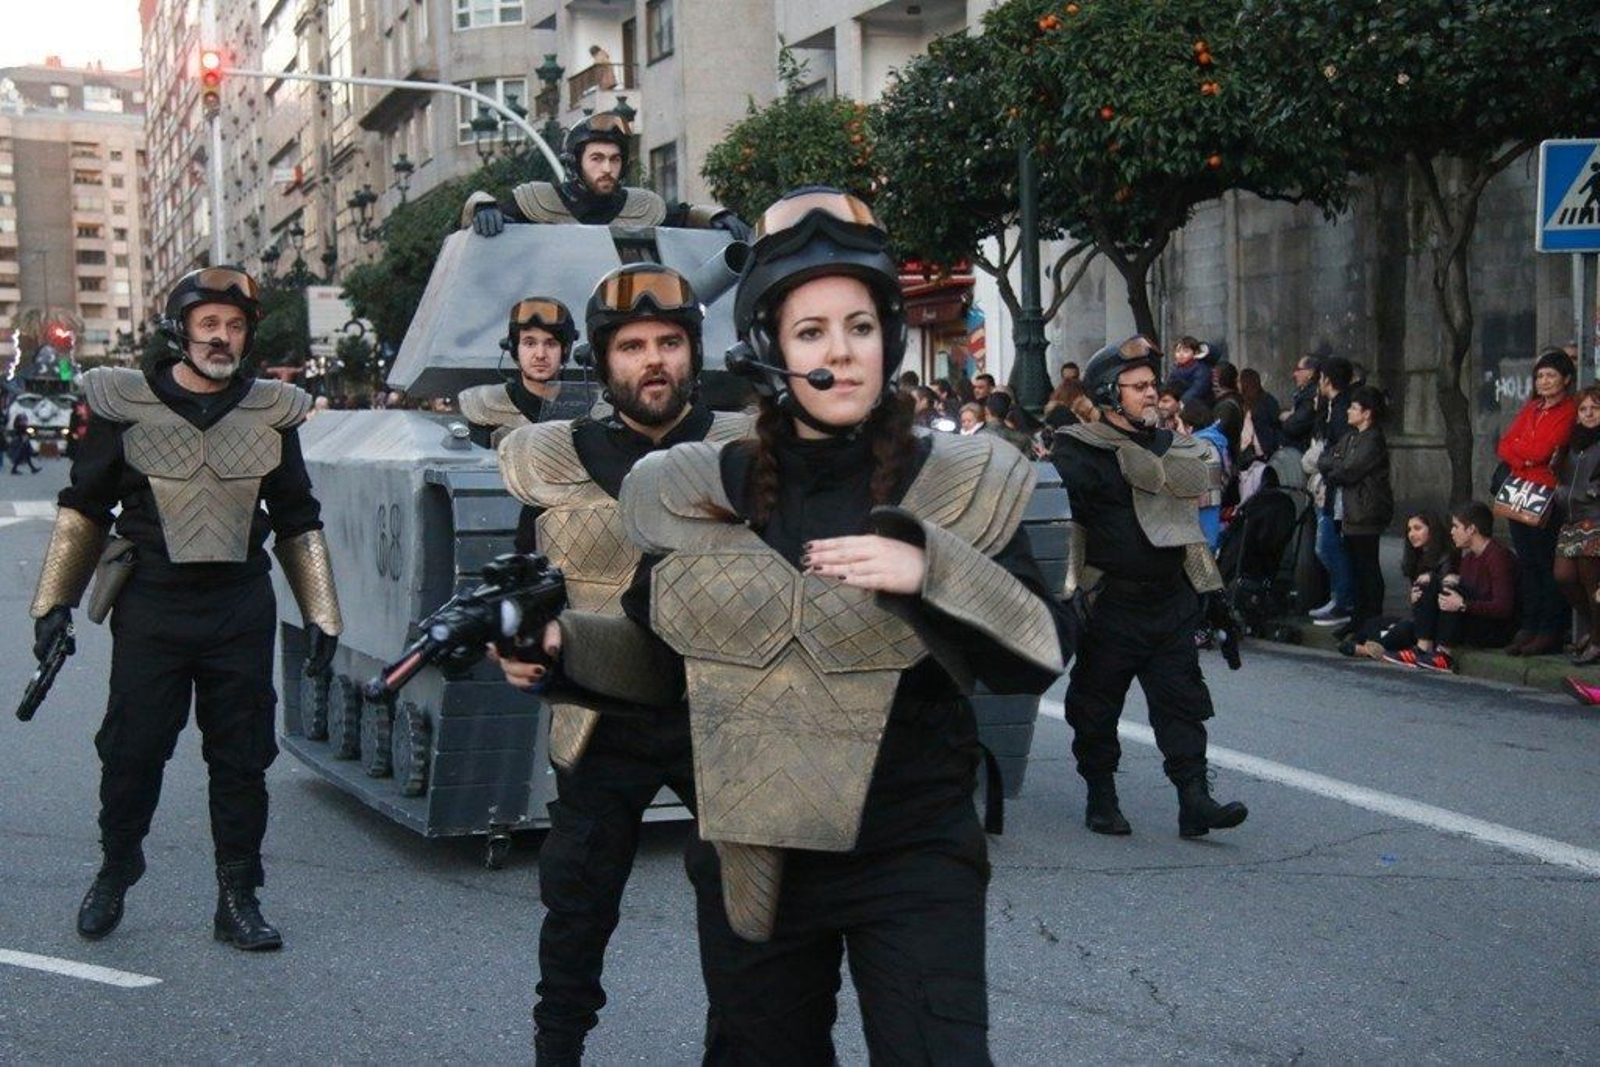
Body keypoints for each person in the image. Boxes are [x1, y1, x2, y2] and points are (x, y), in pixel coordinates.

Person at [514, 188, 1065, 1062]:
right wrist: (557, 646)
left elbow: (1039, 653)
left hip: (912, 852)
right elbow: (654, 662)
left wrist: (934, 572)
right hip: (752, 850)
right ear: (771, 350)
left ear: (888, 338)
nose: (840, 354)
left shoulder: (960, 481)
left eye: (859, 327)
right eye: (811, 333)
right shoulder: (699, 486)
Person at [30, 266, 341, 949]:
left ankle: (237, 897)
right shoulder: (125, 404)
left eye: (234, 327)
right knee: (132, 752)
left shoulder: (271, 413)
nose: (222, 338)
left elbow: (297, 517)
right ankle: (117, 866)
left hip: (239, 608)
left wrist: (323, 612)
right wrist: (52, 601)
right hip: (153, 607)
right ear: (181, 329)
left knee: (241, 758)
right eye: (209, 325)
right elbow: (83, 506)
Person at [490, 264, 749, 1065]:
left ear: (693, 352)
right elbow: (526, 572)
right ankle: (556, 1051)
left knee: (743, 914)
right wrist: (516, 639)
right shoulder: (555, 457)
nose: (654, 360)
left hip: (721, 714)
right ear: (604, 364)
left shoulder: (747, 450)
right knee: (576, 906)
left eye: (670, 341)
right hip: (601, 716)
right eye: (632, 345)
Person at [1053, 335, 1248, 839]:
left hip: (1170, 602)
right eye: (1137, 386)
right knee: (1096, 707)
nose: (1150, 394)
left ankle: (1194, 801)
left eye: (1151, 385)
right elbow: (1067, 528)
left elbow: (1185, 528)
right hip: (1111, 603)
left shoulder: (1174, 448)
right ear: (1109, 393)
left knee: (1182, 703)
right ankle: (1101, 797)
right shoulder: (1078, 449)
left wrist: (1214, 594)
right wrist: (1069, 595)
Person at [463, 114, 750, 237]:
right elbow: (472, 221)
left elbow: (686, 215)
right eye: (596, 159)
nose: (606, 168)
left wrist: (718, 216)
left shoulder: (642, 207)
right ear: (574, 164)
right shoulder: (537, 202)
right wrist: (482, 207)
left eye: (614, 159)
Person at [1496, 348, 1577, 657]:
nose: (1544, 381)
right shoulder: (1532, 408)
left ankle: (1549, 630)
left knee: (1546, 564)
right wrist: (1525, 458)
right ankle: (1528, 625)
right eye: (1540, 376)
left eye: (1551, 375)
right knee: (1527, 562)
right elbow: (1505, 445)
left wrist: (1524, 456)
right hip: (1520, 492)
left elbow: (1544, 449)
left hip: (1547, 495)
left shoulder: (1569, 411)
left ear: (1566, 379)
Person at [1385, 501, 1517, 672]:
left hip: (1494, 629)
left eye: (1456, 526)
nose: (1452, 532)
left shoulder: (1498, 557)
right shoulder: (1469, 558)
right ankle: (1423, 647)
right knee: (1433, 581)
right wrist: (1419, 596)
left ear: (1471, 529)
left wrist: (1463, 604)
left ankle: (1444, 655)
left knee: (1448, 586)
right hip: (1470, 620)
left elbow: (1503, 607)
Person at [1317, 385, 1393, 636]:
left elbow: (1350, 469)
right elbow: (1326, 459)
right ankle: (1359, 617)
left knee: (1367, 565)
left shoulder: (1372, 439)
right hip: (1348, 510)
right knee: (1356, 565)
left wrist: (1335, 469)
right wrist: (1336, 467)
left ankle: (1371, 618)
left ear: (1367, 413)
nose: (1349, 411)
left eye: (1354, 408)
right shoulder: (1351, 437)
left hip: (1365, 510)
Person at [459, 297, 577, 449]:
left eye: (551, 344)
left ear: (565, 350)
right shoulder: (487, 408)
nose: (540, 354)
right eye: (530, 343)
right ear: (514, 349)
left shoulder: (590, 409)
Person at [1341, 509, 1453, 659]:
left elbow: (1443, 594)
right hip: (1418, 617)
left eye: (1418, 528)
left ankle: (1370, 649)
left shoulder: (1446, 558)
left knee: (1403, 629)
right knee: (1374, 623)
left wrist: (1430, 585)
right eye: (1409, 530)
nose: (1412, 534)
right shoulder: (1416, 559)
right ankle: (1365, 644)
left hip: (1433, 623)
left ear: (1432, 529)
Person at [1308, 356, 1356, 627]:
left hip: (1335, 487)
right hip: (1332, 484)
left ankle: (1343, 599)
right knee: (1328, 543)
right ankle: (1340, 598)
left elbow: (1334, 452)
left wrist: (1326, 464)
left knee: (1327, 543)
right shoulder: (1333, 408)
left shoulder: (1340, 410)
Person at [1554, 385, 1600, 664]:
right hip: (1572, 520)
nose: (1589, 413)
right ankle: (1596, 629)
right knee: (1564, 577)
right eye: (1583, 409)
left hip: (1596, 517)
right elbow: (1562, 478)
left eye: (1595, 408)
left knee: (1592, 581)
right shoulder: (1572, 444)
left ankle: (1596, 641)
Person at [1177, 400, 1228, 552]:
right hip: (1211, 509)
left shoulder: (1199, 447)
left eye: (1180, 424)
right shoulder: (1215, 441)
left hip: (1200, 516)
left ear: (1189, 427)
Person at [1236, 367, 1281, 465]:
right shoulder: (1243, 402)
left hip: (1263, 453)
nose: (1237, 385)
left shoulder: (1265, 401)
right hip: (1251, 453)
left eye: (1239, 381)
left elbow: (1273, 425)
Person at [1279, 354, 1321, 452]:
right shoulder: (1303, 393)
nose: (1295, 374)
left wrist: (1288, 418)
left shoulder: (1311, 396)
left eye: (1299, 369)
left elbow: (1294, 426)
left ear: (1310, 373)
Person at [1167, 335, 1213, 404]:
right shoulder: (1176, 368)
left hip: (1199, 404)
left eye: (1186, 351)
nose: (1181, 354)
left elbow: (1197, 389)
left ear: (1195, 353)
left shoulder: (1201, 369)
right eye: (1178, 351)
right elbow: (1169, 385)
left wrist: (1182, 402)